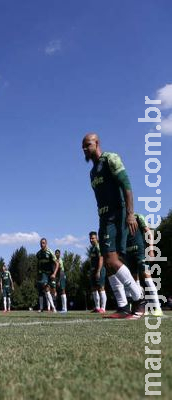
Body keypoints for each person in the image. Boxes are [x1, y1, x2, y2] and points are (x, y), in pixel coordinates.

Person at [82, 133, 145, 319]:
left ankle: (139, 297)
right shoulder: (92, 172)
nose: (85, 149)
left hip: (117, 215)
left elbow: (126, 184)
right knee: (110, 265)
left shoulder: (110, 159)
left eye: (88, 145)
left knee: (110, 259)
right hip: (103, 218)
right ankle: (123, 306)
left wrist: (130, 214)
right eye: (83, 147)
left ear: (97, 143)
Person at [125, 213, 162, 316]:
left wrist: (151, 249)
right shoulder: (119, 220)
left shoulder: (138, 216)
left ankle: (157, 307)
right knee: (134, 281)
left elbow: (149, 233)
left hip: (140, 253)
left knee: (147, 278)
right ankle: (141, 307)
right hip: (128, 254)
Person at [36, 238, 59, 313]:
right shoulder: (38, 254)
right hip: (43, 274)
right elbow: (38, 264)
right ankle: (52, 308)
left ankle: (52, 307)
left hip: (51, 274)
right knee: (46, 289)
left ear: (46, 243)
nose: (42, 244)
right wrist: (38, 273)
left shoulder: (50, 252)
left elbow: (57, 264)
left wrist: (54, 274)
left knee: (52, 291)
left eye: (43, 243)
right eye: (41, 243)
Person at [88, 232, 106, 313]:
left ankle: (103, 308)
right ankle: (97, 307)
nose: (91, 240)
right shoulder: (92, 248)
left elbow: (101, 258)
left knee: (101, 288)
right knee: (94, 288)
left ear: (97, 238)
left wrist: (98, 271)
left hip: (99, 270)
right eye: (90, 238)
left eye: (93, 238)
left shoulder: (99, 246)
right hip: (93, 270)